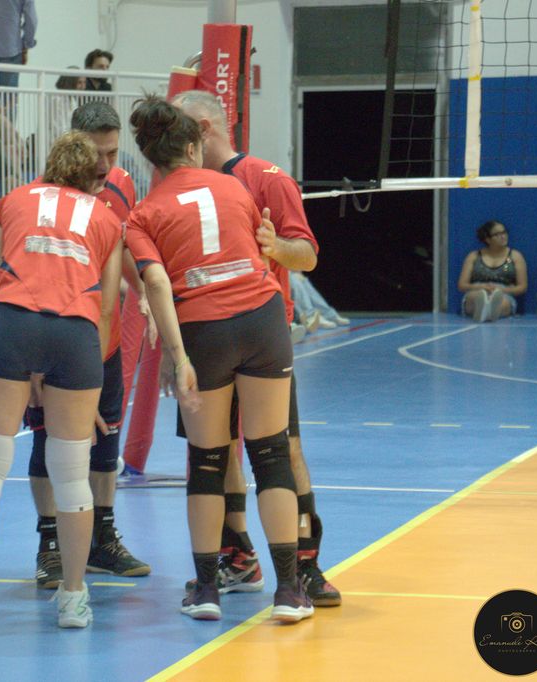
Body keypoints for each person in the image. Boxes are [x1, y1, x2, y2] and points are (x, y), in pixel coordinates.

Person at [124, 96, 312, 623]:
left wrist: (177, 356)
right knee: (271, 455)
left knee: (207, 462)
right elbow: (258, 250)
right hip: (263, 320)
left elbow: (157, 284)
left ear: (149, 157)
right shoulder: (235, 186)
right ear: (192, 146)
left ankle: (206, 589)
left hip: (204, 329)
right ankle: (290, 592)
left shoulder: (142, 214)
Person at [0, 131, 124, 632]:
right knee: (72, 474)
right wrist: (85, 381)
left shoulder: (12, 201)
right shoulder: (106, 217)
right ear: (90, 178)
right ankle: (73, 598)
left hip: (10, 325)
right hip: (76, 335)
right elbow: (107, 306)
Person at [169, 89, 341, 607]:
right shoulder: (177, 186)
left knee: (283, 448)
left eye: (178, 129)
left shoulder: (266, 177)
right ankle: (237, 556)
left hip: (261, 335)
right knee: (214, 452)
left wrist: (273, 246)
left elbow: (306, 255)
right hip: (204, 333)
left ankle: (305, 566)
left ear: (202, 129)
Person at [26, 102, 151, 590]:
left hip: (103, 338)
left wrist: (144, 294)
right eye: (95, 153)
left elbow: (124, 252)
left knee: (106, 441)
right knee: (48, 439)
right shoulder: (43, 196)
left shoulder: (121, 186)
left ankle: (101, 538)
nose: (104, 165)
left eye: (112, 153)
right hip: (52, 340)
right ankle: (50, 544)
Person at [457, 220, 528, 322]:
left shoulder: (515, 256)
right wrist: (482, 287)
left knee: (503, 302)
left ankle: (490, 311)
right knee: (474, 297)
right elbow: (462, 285)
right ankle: (482, 307)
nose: (503, 236)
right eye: (497, 234)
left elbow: (522, 287)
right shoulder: (474, 256)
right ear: (487, 239)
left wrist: (500, 290)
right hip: (477, 290)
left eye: (504, 232)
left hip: (503, 293)